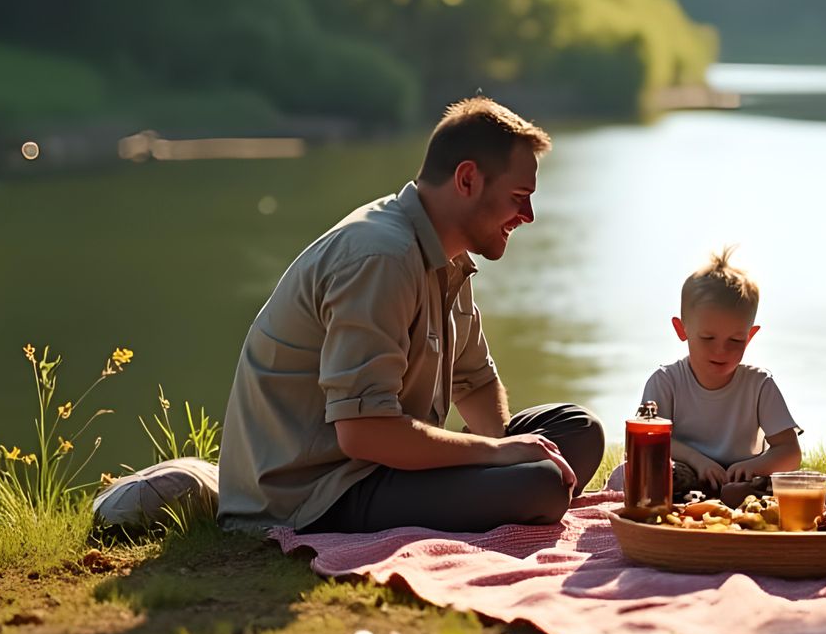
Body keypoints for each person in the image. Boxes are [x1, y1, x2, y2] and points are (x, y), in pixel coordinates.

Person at [217, 97, 605, 534]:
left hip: (385, 468)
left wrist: (506, 447)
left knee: (578, 430)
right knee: (541, 485)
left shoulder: (447, 253)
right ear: (467, 179)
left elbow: (474, 381)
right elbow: (363, 433)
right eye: (519, 198)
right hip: (315, 495)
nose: (528, 216)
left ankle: (507, 490)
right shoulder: (380, 256)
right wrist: (497, 458)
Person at [608, 247, 802, 500]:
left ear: (750, 336)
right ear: (682, 329)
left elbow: (789, 452)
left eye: (735, 340)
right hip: (687, 474)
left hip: (741, 481)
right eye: (708, 338)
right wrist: (697, 460)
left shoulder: (759, 385)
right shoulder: (666, 381)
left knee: (780, 487)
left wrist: (751, 467)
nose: (721, 350)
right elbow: (645, 442)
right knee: (644, 472)